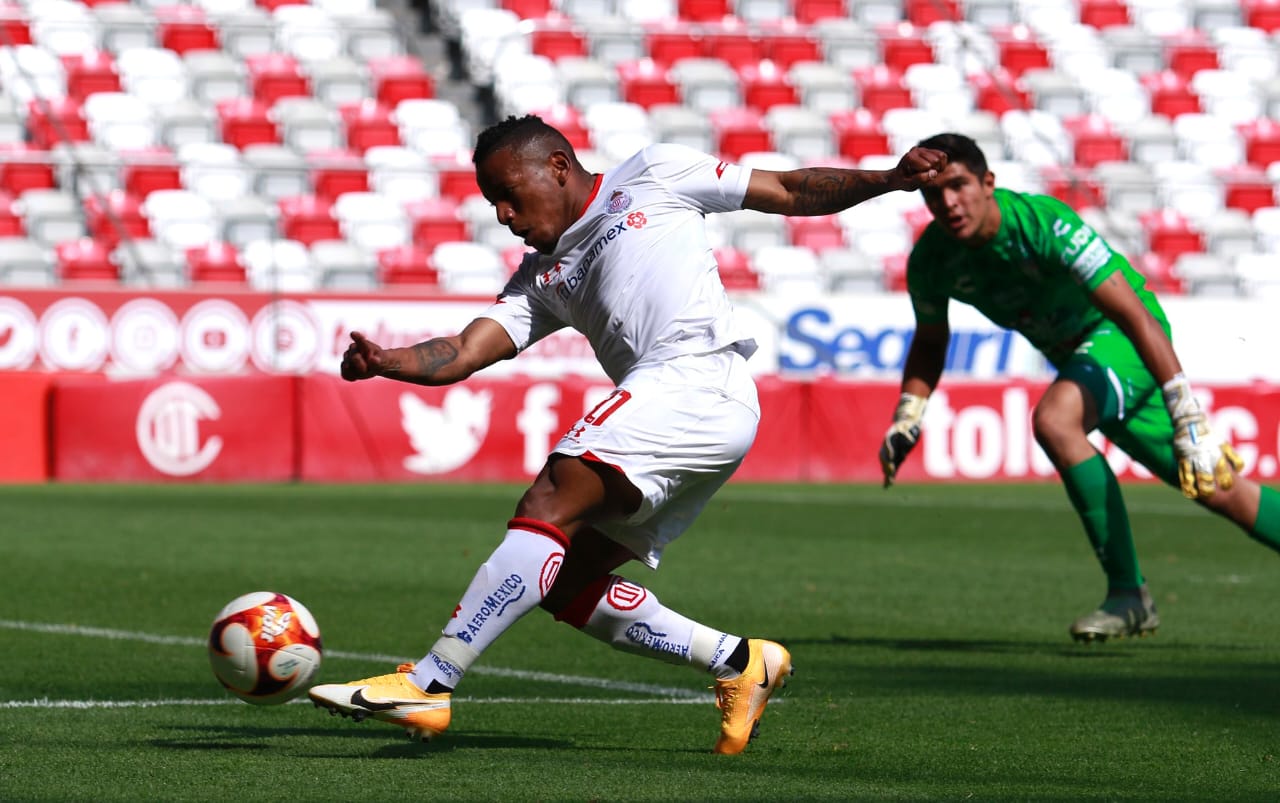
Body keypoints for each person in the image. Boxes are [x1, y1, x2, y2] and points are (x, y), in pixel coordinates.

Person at [308, 114, 947, 751]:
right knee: (564, 584)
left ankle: (431, 681)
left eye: (509, 193)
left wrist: (890, 178)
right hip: (690, 408)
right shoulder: (542, 276)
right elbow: (466, 349)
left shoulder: (654, 172)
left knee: (549, 501)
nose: (503, 214)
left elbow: (788, 190)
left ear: (557, 166)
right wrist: (390, 361)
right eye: (491, 202)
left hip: (696, 377)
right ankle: (739, 662)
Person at [878, 131, 1280, 643]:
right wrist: (909, 414)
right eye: (934, 194)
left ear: (988, 182)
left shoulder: (1045, 223)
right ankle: (1130, 596)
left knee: (1054, 419)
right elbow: (932, 340)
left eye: (958, 185)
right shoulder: (932, 260)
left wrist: (1189, 416)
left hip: (1126, 340)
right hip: (1083, 363)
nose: (948, 202)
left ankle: (1127, 594)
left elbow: (1133, 312)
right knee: (1224, 492)